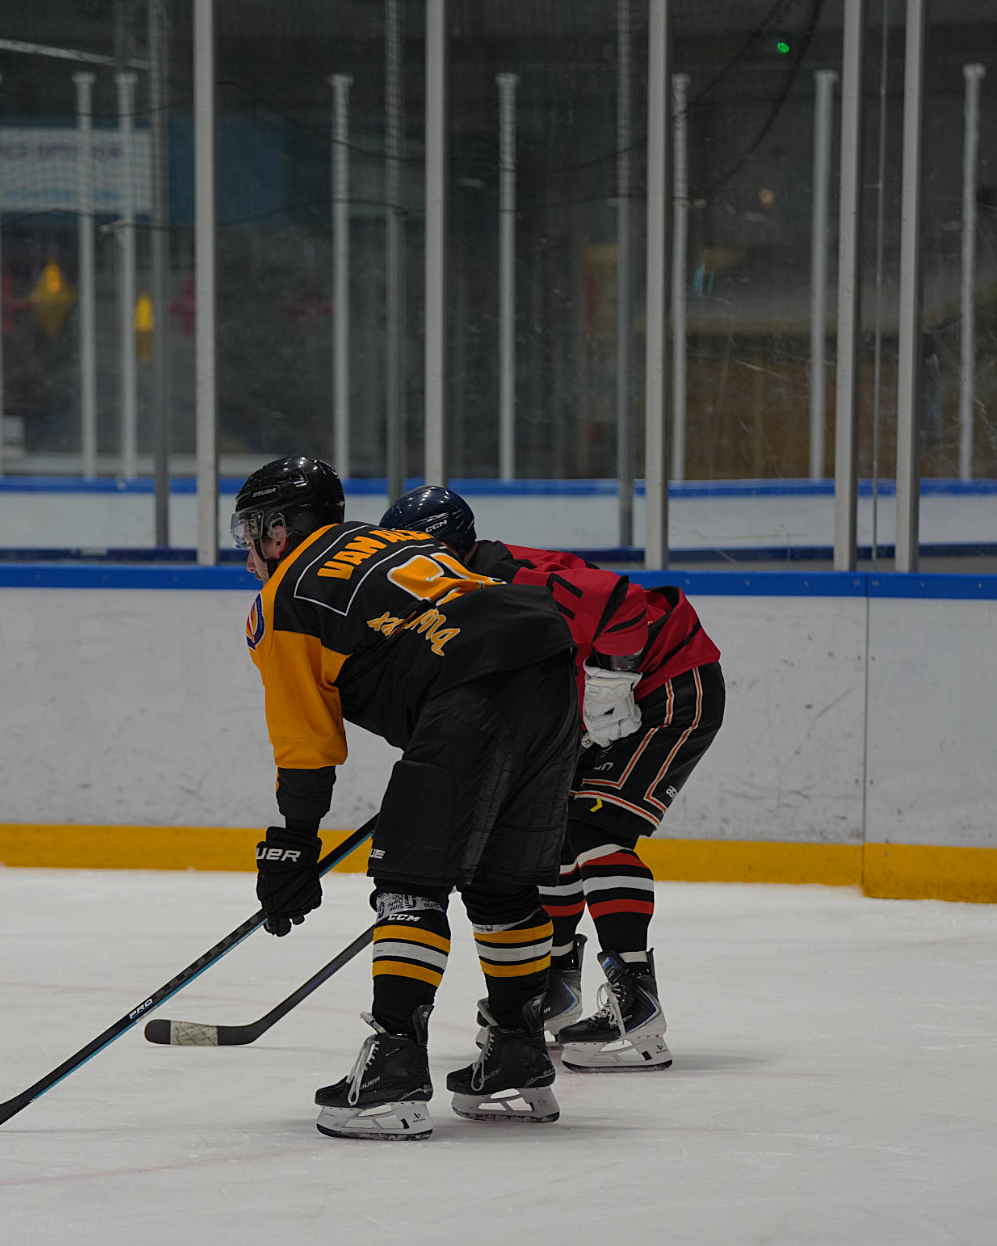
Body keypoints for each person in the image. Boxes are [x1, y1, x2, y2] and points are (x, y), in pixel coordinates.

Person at [235, 457, 580, 1141]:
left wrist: (295, 840)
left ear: (279, 529)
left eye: (252, 531)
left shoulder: (286, 596)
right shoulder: (386, 539)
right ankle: (516, 1053)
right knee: (503, 885)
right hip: (550, 666)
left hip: (468, 685)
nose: (247, 548)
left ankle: (394, 1067)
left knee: (409, 886)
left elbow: (306, 741)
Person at [379, 486, 724, 1072]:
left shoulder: (505, 577)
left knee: (594, 830)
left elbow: (622, 600)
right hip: (598, 707)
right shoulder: (453, 593)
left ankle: (635, 1003)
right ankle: (555, 989)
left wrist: (612, 680)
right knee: (548, 837)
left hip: (669, 680)